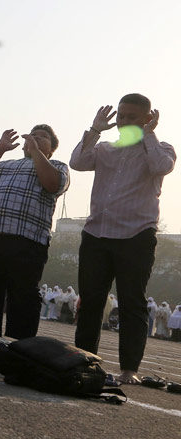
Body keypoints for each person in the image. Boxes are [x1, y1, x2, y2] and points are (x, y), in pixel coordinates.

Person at [71, 94, 176, 384]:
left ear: (146, 119)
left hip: (136, 236)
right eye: (121, 115)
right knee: (91, 301)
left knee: (132, 302)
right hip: (96, 234)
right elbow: (77, 161)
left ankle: (129, 369)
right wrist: (94, 130)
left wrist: (150, 135)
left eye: (132, 117)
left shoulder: (161, 148)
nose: (124, 121)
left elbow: (161, 167)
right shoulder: (105, 148)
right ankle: (85, 360)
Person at [0, 125, 69, 353]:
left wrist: (37, 152)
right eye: (33, 135)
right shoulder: (6, 165)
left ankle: (21, 344)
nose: (35, 138)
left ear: (52, 149)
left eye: (42, 137)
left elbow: (52, 184)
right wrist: (0, 148)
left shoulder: (57, 166)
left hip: (29, 240)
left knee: (24, 292)